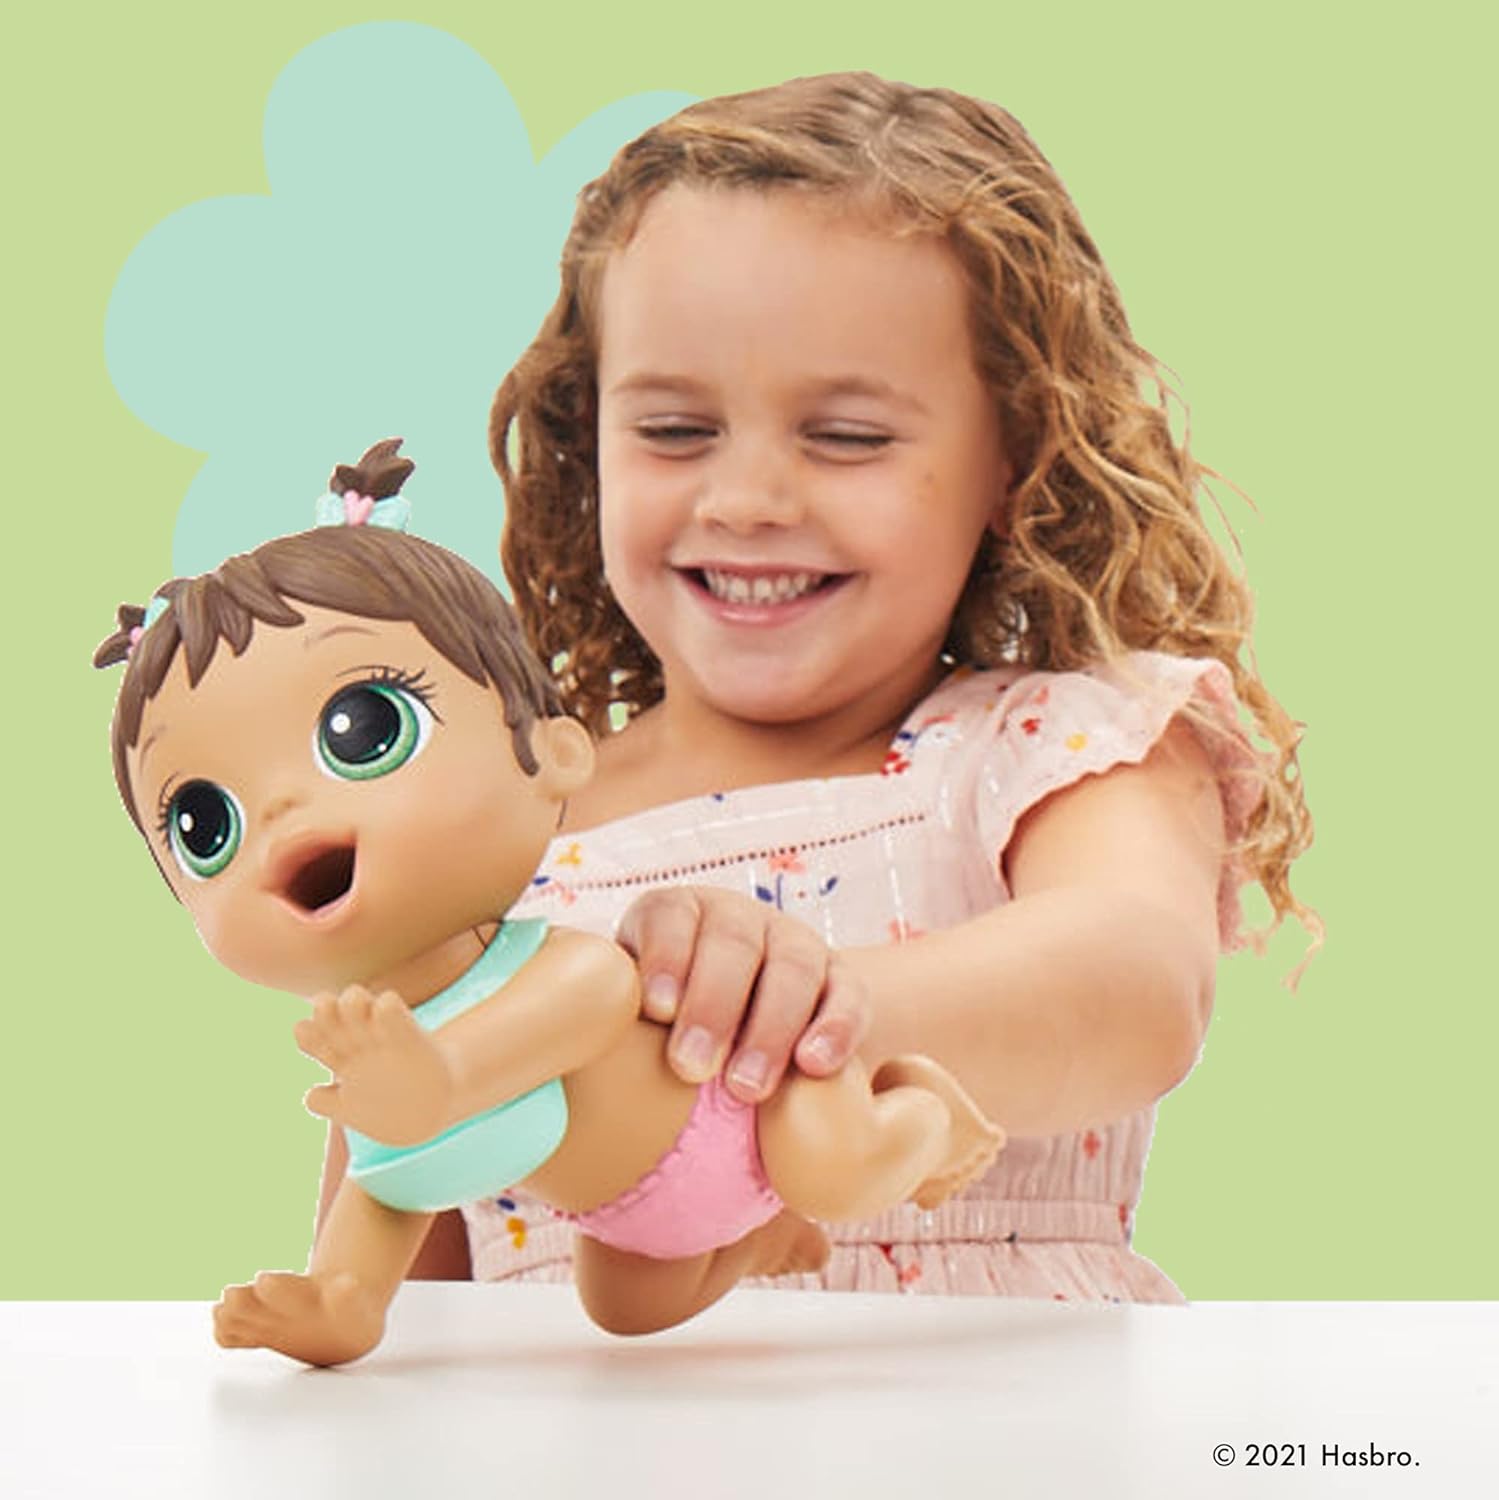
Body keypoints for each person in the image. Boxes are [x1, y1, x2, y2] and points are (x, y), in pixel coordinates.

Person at [459, 71, 1318, 1302]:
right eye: (674, 431)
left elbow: (1137, 984)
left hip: (1007, 1413)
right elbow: (396, 1247)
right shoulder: (485, 836)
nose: (746, 500)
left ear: (1013, 461)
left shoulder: (1056, 746)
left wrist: (814, 1000)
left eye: (847, 437)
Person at [95, 440, 1000, 1365]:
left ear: (555, 754)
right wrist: (339, 1303)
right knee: (625, 1310)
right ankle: (754, 1238)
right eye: (205, 823)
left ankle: (923, 1114)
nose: (283, 810)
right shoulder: (388, 1069)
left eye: (362, 732)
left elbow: (592, 1004)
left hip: (751, 1104)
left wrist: (439, 1080)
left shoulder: (556, 969)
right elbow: (390, 1192)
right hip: (637, 1225)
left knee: (835, 1169)